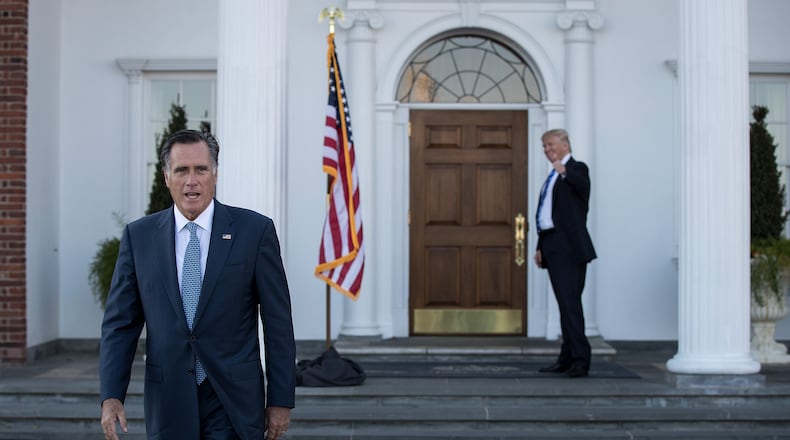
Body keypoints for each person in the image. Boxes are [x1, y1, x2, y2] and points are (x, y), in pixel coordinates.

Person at [99, 129, 296, 439]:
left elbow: (278, 322)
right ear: (166, 177)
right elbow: (120, 324)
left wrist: (281, 399)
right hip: (168, 398)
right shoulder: (139, 237)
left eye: (201, 169)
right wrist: (111, 395)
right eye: (181, 170)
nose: (191, 180)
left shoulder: (254, 232)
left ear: (214, 174)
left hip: (233, 400)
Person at [534, 128, 597, 378]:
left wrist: (565, 171)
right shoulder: (552, 177)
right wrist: (540, 246)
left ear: (564, 144)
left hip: (569, 248)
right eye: (544, 147)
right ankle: (567, 357)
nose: (547, 150)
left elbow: (581, 186)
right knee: (564, 304)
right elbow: (547, 213)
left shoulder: (577, 169)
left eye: (550, 145)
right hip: (552, 245)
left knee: (571, 304)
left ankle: (580, 360)